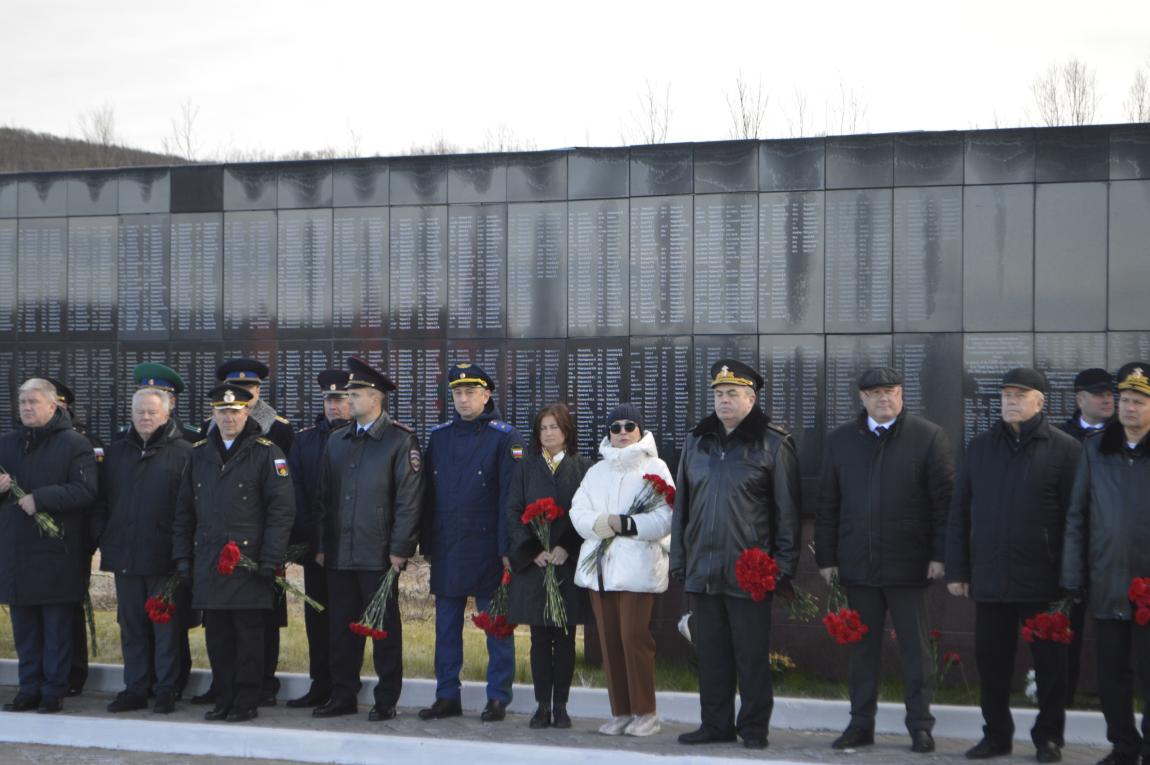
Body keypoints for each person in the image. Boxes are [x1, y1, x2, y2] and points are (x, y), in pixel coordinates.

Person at [815, 367, 955, 754]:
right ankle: (861, 724)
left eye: (890, 391)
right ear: (861, 399)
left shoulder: (928, 437)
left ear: (902, 395)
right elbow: (828, 503)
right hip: (858, 565)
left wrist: (940, 555)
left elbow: (944, 503)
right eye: (874, 393)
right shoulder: (842, 441)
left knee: (916, 650)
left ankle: (920, 726)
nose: (883, 398)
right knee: (862, 652)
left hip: (910, 565)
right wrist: (826, 557)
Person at [947, 368, 1081, 763]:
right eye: (1006, 394)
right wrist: (958, 570)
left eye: (1020, 395)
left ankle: (1049, 738)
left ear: (1041, 402)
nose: (1010, 401)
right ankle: (996, 736)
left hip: (1044, 579)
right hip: (990, 577)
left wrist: (1070, 576)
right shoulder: (980, 447)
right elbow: (960, 512)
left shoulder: (1065, 449)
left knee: (1051, 666)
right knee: (992, 662)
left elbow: (1076, 518)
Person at [670, 360, 801, 750]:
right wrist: (681, 559)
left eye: (732, 394)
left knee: (751, 656)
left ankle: (754, 727)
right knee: (710, 655)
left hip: (751, 572)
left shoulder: (774, 443)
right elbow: (683, 509)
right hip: (705, 568)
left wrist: (783, 568)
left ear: (751, 398)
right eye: (718, 394)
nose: (724, 401)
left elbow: (787, 514)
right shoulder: (697, 442)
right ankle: (715, 724)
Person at [172, 383, 294, 723]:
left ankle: (246, 700)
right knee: (218, 637)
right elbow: (184, 511)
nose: (229, 418)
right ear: (214, 413)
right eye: (222, 411)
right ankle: (223, 697)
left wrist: (271, 558)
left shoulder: (267, 452)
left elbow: (281, 511)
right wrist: (183, 558)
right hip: (210, 562)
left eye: (236, 411)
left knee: (248, 637)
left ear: (247, 413)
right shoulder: (198, 454)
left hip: (248, 564)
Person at [313, 358, 424, 722]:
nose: (348, 400)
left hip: (377, 554)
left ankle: (386, 697)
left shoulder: (398, 440)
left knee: (383, 629)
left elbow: (409, 500)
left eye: (355, 394)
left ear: (375, 398)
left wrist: (399, 549)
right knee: (341, 629)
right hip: (340, 554)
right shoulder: (337, 440)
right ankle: (343, 694)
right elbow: (325, 498)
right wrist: (323, 545)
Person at [420, 362, 525, 723]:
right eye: (457, 393)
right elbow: (428, 496)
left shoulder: (504, 437)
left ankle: (498, 696)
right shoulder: (440, 436)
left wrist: (507, 549)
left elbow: (509, 499)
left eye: (470, 392)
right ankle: (446, 694)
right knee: (446, 628)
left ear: (486, 395)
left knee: (496, 627)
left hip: (487, 550)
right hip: (449, 545)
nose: (463, 399)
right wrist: (426, 544)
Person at [1062, 364, 1150, 765]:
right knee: (1112, 673)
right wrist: (1072, 574)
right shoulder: (1096, 450)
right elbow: (1077, 516)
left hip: (1148, 586)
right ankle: (1124, 745)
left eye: (1140, 402)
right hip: (1108, 580)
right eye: (1126, 401)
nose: (1130, 408)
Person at [571, 403, 673, 738]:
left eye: (630, 425)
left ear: (640, 431)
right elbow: (578, 510)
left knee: (634, 638)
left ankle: (647, 711)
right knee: (610, 640)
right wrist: (599, 524)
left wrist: (626, 524)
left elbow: (666, 516)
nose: (623, 432)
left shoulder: (655, 467)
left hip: (638, 569)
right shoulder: (596, 472)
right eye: (615, 427)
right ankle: (622, 711)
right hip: (600, 570)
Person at [0, 378, 98, 714]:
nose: (27, 408)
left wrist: (40, 499)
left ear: (53, 406)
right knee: (25, 628)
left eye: (34, 402)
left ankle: (53, 690)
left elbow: (85, 491)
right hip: (17, 552)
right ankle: (28, 688)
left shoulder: (74, 445)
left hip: (57, 551)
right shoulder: (6, 444)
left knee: (55, 628)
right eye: (23, 402)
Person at [101, 386, 195, 715]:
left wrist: (182, 555)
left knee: (165, 627)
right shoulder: (116, 453)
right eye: (139, 411)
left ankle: (166, 688)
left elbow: (189, 509)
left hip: (164, 558)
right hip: (125, 555)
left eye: (152, 412)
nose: (145, 417)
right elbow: (104, 502)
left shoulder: (185, 453)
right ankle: (135, 688)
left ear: (167, 414)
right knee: (132, 627)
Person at [505, 402, 592, 730]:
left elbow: (587, 512)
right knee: (539, 638)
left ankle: (562, 706)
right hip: (537, 564)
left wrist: (566, 547)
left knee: (566, 637)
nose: (548, 433)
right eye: (543, 428)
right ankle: (542, 705)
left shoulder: (583, 467)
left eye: (554, 427)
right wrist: (532, 549)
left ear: (566, 431)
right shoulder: (525, 467)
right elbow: (513, 511)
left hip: (566, 563)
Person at [283, 369, 351, 710]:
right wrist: (313, 539)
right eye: (329, 400)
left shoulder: (359, 437)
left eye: (340, 400)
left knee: (344, 621)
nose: (334, 406)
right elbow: (294, 491)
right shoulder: (305, 440)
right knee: (318, 619)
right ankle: (319, 684)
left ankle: (343, 688)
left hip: (350, 548)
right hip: (315, 547)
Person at [1056, 366, 1114, 709]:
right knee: (1067, 631)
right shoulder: (1061, 438)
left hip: (1112, 548)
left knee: (1115, 633)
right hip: (1071, 547)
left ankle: (1116, 698)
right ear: (1079, 399)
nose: (1107, 399)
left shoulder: (1127, 436)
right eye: (1098, 394)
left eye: (1110, 393)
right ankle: (1063, 697)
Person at [44, 376, 105, 698]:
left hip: (73, 540)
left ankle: (72, 673)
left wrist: (91, 539)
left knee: (69, 609)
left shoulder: (84, 443)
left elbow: (94, 495)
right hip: (34, 543)